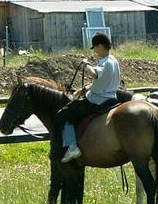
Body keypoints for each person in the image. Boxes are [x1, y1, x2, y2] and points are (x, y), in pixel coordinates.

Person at [52, 32, 121, 163]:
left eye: (95, 47)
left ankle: (72, 147)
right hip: (111, 97)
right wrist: (86, 88)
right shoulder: (114, 60)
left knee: (63, 114)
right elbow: (103, 80)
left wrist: (85, 64)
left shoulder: (104, 61)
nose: (95, 51)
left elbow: (95, 74)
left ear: (100, 46)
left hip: (96, 100)